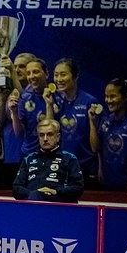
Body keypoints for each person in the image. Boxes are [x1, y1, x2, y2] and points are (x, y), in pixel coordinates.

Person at [45, 58, 99, 186]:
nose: (59, 79)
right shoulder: (56, 100)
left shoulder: (89, 102)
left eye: (63, 74)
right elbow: (50, 131)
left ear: (75, 76)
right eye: (56, 75)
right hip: (63, 167)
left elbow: (97, 145)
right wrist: (48, 105)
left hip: (86, 167)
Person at [89, 78, 127, 192]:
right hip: (107, 183)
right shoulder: (106, 120)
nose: (108, 100)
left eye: (112, 96)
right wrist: (92, 123)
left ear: (126, 97)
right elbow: (96, 148)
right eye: (106, 96)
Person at [12, 118, 84, 203]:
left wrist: (56, 192)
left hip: (59, 205)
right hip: (33, 204)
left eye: (50, 134)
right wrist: (34, 195)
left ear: (57, 137)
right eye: (42, 135)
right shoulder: (28, 159)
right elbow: (16, 188)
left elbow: (78, 188)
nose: (45, 139)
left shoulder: (69, 158)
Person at [0, 52, 37, 185]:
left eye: (22, 66)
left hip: (29, 153)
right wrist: (1, 98)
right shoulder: (8, 89)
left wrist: (12, 72)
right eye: (15, 66)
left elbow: (25, 100)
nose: (17, 70)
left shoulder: (35, 91)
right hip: (10, 153)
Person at [10, 58, 49, 159]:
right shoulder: (24, 98)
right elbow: (19, 133)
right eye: (28, 73)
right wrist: (14, 112)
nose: (31, 76)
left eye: (35, 72)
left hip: (51, 154)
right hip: (29, 155)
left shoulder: (58, 98)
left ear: (46, 74)